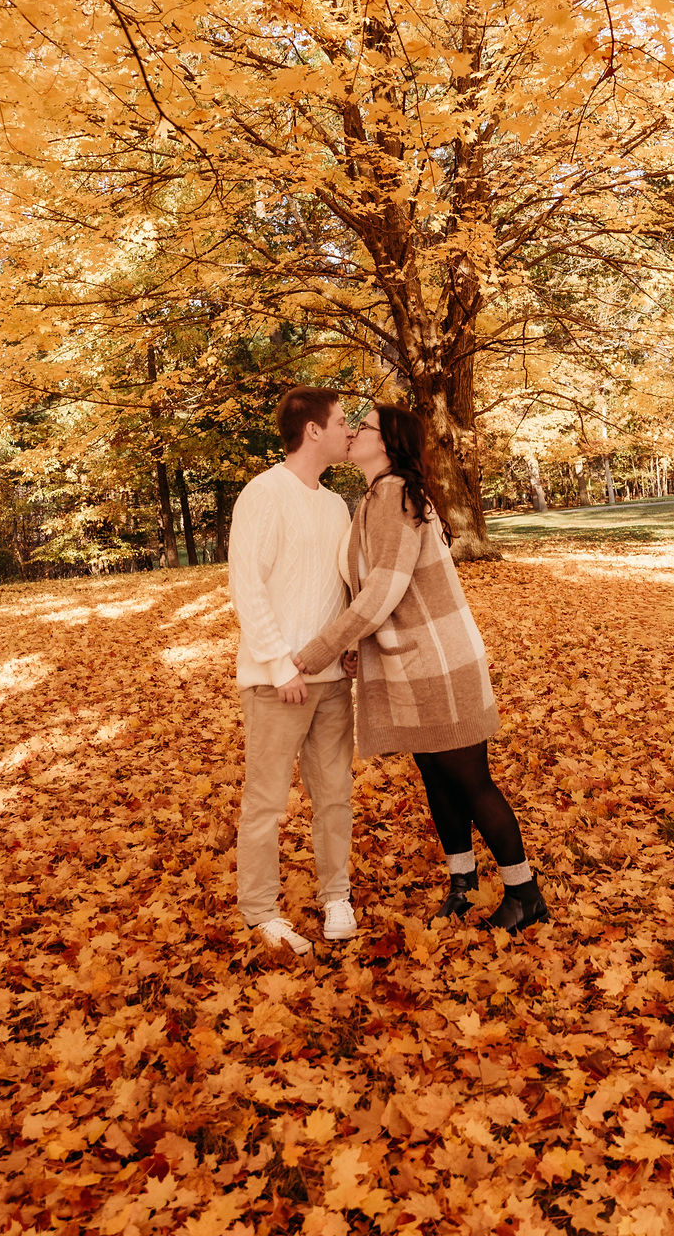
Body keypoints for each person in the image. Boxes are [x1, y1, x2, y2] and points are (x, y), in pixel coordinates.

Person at [295, 404, 548, 933]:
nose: (353, 432)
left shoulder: (396, 496)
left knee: (472, 782)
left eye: (363, 426)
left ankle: (525, 894)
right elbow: (369, 587)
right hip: (411, 662)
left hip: (439, 662)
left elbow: (382, 592)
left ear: (388, 443)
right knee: (436, 778)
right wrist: (355, 646)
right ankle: (463, 883)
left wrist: (319, 651)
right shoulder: (375, 497)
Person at [228, 386, 359, 954]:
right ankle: (261, 911)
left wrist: (347, 647)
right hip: (276, 683)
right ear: (313, 430)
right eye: (343, 421)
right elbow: (247, 586)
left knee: (335, 795)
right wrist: (282, 667)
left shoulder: (335, 505)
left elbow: (337, 585)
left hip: (331, 681)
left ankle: (337, 896)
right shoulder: (263, 493)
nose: (350, 431)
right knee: (266, 803)